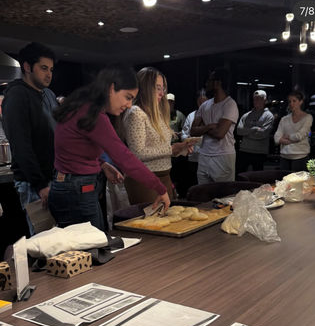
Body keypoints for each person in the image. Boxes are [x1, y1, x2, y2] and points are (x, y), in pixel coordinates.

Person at [48, 64, 170, 231]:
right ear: (112, 89)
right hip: (76, 189)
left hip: (67, 185)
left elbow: (73, 147)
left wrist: (102, 164)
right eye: (127, 97)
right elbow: (125, 157)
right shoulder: (95, 115)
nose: (129, 105)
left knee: (90, 244)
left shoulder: (84, 106)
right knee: (93, 246)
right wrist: (160, 188)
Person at [2, 42, 57, 235]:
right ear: (27, 67)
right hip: (33, 183)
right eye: (43, 68)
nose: (49, 74)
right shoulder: (17, 95)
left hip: (54, 178)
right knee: (44, 241)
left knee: (61, 240)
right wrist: (40, 184)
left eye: (51, 69)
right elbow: (21, 145)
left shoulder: (49, 95)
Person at [122, 66, 193, 204]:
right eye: (157, 88)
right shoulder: (136, 113)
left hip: (164, 175)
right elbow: (138, 153)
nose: (162, 93)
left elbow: (160, 148)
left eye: (163, 88)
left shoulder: (158, 113)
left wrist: (180, 150)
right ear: (146, 88)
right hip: (144, 179)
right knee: (152, 223)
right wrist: (171, 149)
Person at [190, 68, 239, 183]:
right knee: (203, 193)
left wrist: (202, 128)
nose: (206, 83)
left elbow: (219, 133)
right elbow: (192, 131)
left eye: (209, 80)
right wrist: (209, 126)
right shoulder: (205, 105)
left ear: (218, 83)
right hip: (204, 155)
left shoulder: (229, 104)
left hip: (223, 156)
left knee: (222, 195)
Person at [236, 90, 274, 173]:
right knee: (240, 175)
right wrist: (253, 129)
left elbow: (262, 134)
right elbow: (238, 131)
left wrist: (246, 133)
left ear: (265, 100)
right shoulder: (246, 115)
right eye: (255, 99)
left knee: (257, 178)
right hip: (244, 150)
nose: (256, 101)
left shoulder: (269, 116)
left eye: (259, 99)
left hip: (260, 152)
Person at [274, 90, 313, 171]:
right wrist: (291, 140)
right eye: (290, 101)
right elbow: (277, 138)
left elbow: (299, 136)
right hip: (284, 156)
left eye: (294, 101)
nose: (291, 104)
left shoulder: (307, 117)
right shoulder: (284, 119)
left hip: (300, 156)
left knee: (299, 183)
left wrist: (287, 136)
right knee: (284, 182)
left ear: (301, 102)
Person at [180, 89, 208, 191]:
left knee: (205, 184)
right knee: (193, 182)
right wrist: (189, 139)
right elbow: (184, 134)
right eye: (199, 102)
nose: (201, 104)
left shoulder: (212, 115)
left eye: (204, 102)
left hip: (207, 156)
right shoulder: (191, 115)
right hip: (193, 155)